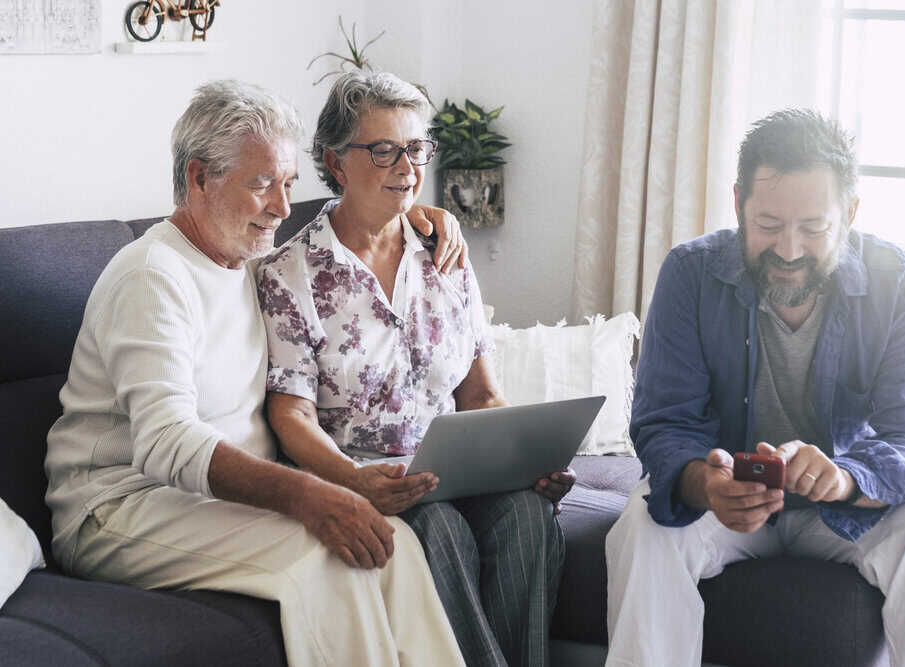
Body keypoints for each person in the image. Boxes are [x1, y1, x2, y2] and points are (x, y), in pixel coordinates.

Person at [44, 79, 473, 667]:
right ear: (199, 179)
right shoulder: (154, 276)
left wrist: (418, 214)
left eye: (289, 185)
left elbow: (355, 232)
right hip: (121, 507)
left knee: (390, 544)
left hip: (207, 500)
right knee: (333, 561)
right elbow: (165, 442)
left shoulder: (243, 259)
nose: (279, 206)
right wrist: (309, 495)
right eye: (261, 184)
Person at [605, 109, 905, 667]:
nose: (788, 250)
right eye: (767, 224)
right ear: (738, 203)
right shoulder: (690, 273)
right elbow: (663, 423)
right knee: (641, 528)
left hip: (846, 505)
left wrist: (849, 477)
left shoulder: (898, 281)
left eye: (813, 228)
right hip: (723, 503)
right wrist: (703, 484)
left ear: (850, 213)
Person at [257, 70, 572, 667]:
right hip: (372, 475)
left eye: (416, 148)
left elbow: (480, 394)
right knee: (442, 530)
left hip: (461, 470)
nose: (407, 166)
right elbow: (289, 414)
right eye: (384, 150)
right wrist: (353, 479)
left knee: (531, 516)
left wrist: (528, 458)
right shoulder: (290, 273)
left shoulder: (445, 253)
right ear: (336, 162)